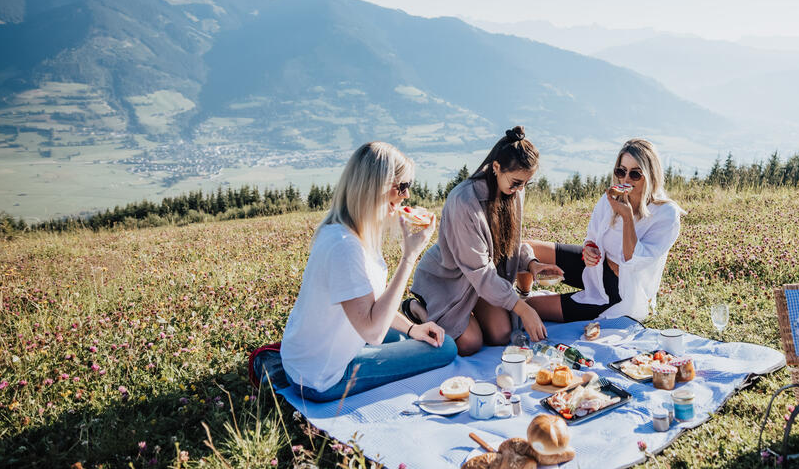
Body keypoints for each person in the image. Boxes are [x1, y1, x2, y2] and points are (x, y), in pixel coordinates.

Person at [281, 142, 457, 402]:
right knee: (446, 349)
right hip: (322, 377)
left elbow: (370, 303)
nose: (406, 196)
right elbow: (373, 333)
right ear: (376, 185)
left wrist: (411, 329)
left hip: (304, 362)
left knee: (419, 337)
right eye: (402, 186)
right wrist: (409, 257)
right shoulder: (344, 247)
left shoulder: (345, 230)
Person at [406, 127, 564, 356]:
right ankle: (418, 309)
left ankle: (469, 315)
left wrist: (532, 264)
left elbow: (509, 244)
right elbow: (479, 271)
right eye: (516, 183)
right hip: (449, 282)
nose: (519, 190)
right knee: (470, 343)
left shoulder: (513, 192)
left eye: (525, 184)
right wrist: (523, 309)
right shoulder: (463, 202)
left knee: (501, 334)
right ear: (496, 167)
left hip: (479, 284)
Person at [525, 138, 683, 322]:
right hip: (595, 267)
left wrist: (626, 217)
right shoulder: (613, 196)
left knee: (529, 307)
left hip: (619, 291)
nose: (625, 179)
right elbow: (592, 236)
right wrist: (589, 248)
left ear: (650, 175)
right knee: (526, 248)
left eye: (635, 174)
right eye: (621, 171)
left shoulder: (666, 214)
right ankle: (523, 290)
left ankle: (524, 301)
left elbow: (634, 262)